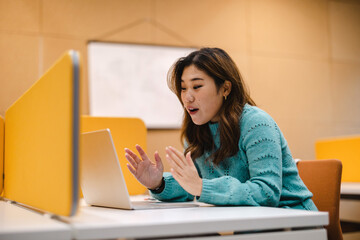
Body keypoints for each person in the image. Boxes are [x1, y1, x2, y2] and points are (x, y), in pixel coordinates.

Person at [125, 47, 317, 211]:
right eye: (183, 88)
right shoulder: (197, 131)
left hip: (293, 219)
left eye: (197, 86)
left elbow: (267, 193)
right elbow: (192, 186)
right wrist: (158, 184)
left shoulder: (256, 123)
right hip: (251, 223)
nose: (187, 97)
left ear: (225, 88)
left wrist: (202, 187)